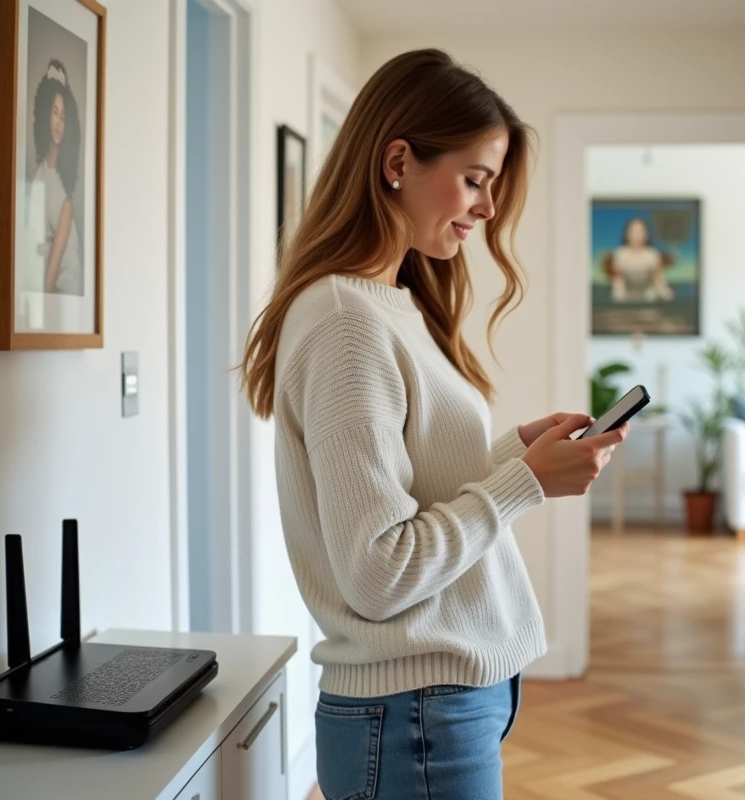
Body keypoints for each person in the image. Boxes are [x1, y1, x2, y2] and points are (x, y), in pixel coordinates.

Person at [239, 49, 629, 799]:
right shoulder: (346, 323)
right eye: (476, 180)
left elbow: (404, 487)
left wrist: (513, 455)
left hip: (432, 708)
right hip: (414, 712)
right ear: (397, 161)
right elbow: (378, 571)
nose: (486, 209)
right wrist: (522, 485)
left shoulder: (390, 302)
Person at [26, 59, 82, 296]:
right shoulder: (40, 175)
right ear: (45, 114)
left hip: (66, 284)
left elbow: (64, 220)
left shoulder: (63, 180)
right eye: (54, 113)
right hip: (50, 282)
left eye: (64, 117)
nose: (59, 123)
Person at [603, 216, 675, 303]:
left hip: (648, 297)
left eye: (640, 231)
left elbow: (659, 282)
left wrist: (669, 298)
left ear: (646, 234)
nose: (636, 235)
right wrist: (617, 303)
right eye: (633, 231)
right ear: (627, 234)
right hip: (626, 297)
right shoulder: (619, 255)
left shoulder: (653, 255)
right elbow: (618, 284)